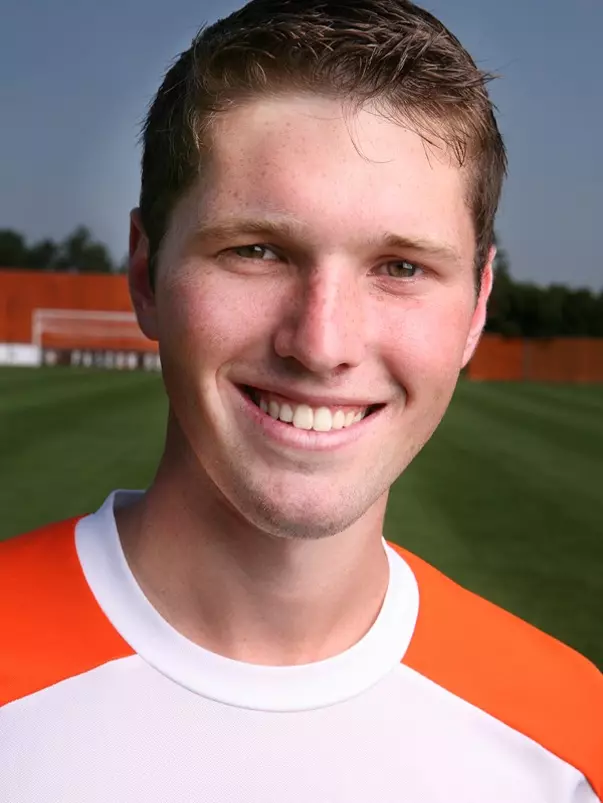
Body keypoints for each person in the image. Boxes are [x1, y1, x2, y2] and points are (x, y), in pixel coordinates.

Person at [1, 0, 601, 800]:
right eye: (257, 251)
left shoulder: (569, 740)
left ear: (477, 306)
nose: (321, 343)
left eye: (400, 267)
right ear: (146, 273)